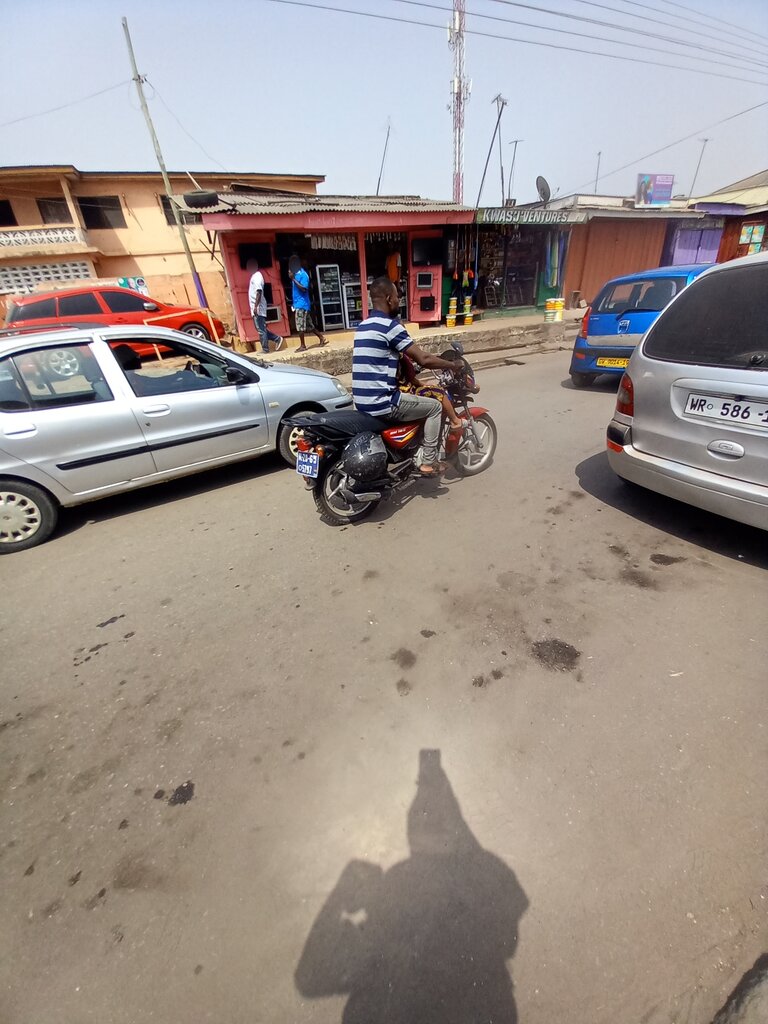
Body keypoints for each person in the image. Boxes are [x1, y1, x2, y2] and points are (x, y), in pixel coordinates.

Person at [352, 277, 462, 476]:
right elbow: (424, 358)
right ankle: (428, 461)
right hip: (383, 403)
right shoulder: (389, 326)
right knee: (435, 407)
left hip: (361, 402)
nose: (398, 301)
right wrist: (452, 365)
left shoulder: (363, 326)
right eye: (396, 297)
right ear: (388, 299)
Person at [397, 350, 467, 432]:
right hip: (405, 392)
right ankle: (455, 421)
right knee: (439, 391)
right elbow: (411, 376)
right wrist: (452, 365)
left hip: (396, 391)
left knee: (428, 386)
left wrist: (423, 384)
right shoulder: (401, 356)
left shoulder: (392, 355)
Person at [247, 259, 283, 354]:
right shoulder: (254, 276)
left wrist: (256, 306)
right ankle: (277, 338)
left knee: (261, 329)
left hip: (258, 307)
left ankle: (265, 349)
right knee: (260, 328)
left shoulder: (257, 276)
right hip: (255, 307)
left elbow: (259, 292)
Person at [289, 262, 327, 351]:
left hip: (302, 304)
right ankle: (321, 337)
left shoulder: (303, 275)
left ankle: (303, 345)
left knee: (299, 325)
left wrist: (293, 279)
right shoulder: (296, 275)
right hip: (298, 303)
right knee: (309, 325)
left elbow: (304, 288)